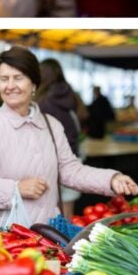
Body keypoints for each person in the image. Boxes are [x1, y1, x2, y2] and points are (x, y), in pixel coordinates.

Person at [0, 47, 138, 225]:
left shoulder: (51, 125)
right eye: (4, 79)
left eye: (18, 78)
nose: (10, 86)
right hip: (4, 238)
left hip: (47, 234)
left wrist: (111, 179)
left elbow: (70, 170)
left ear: (33, 84)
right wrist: (15, 189)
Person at [35, 58, 88, 218]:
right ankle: (68, 242)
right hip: (73, 158)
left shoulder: (42, 101)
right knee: (67, 213)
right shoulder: (71, 94)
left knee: (45, 217)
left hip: (51, 162)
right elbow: (83, 116)